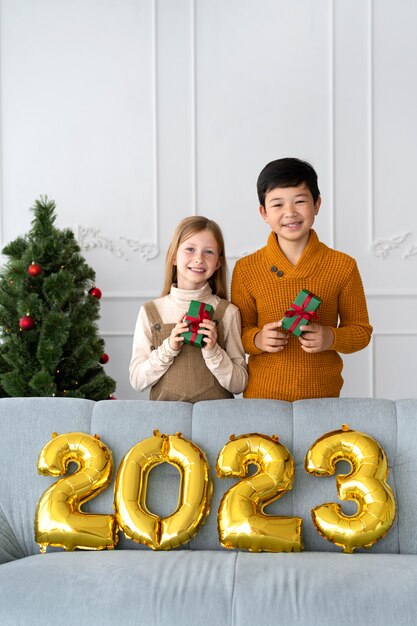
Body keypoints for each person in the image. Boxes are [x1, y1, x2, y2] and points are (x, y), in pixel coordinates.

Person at [231, 157, 372, 401]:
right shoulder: (246, 268)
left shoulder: (343, 266)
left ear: (316, 204)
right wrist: (258, 339)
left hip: (323, 397)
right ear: (264, 212)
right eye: (277, 204)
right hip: (262, 398)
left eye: (300, 201)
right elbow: (236, 334)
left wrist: (331, 337)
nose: (290, 213)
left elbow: (361, 332)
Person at [130, 216, 248, 402]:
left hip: (216, 422)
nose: (199, 258)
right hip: (165, 425)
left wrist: (214, 351)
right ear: (174, 256)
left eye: (208, 252)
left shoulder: (228, 312)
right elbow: (137, 381)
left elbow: (239, 384)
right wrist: (168, 348)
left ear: (218, 262)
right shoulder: (151, 311)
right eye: (190, 249)